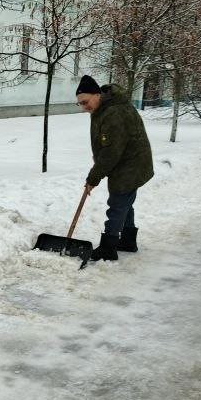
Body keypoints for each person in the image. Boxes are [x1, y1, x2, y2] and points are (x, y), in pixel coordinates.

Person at [75, 74, 154, 262]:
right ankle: (127, 240)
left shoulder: (114, 113)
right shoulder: (102, 108)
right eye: (80, 104)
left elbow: (112, 151)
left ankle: (108, 247)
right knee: (125, 201)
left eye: (85, 102)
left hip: (130, 164)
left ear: (96, 95)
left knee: (118, 202)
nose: (84, 107)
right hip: (124, 160)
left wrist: (93, 178)